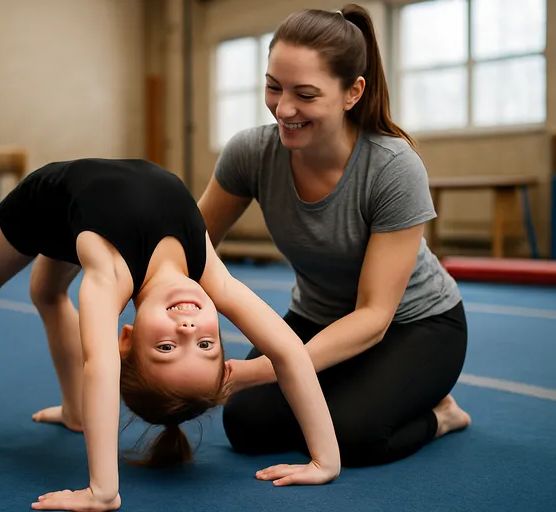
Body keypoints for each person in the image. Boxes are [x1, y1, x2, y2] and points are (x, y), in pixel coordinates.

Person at [0, 157, 341, 511]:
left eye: (168, 347)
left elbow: (99, 364)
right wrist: (325, 459)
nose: (189, 328)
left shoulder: (109, 274)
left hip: (42, 207)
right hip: (74, 210)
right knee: (46, 290)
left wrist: (103, 490)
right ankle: (74, 412)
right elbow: (287, 351)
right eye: (206, 345)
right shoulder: (209, 274)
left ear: (127, 338)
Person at [197, 4, 472, 469]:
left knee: (353, 436)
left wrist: (266, 367)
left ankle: (442, 414)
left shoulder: (391, 168)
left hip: (414, 326)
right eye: (273, 86)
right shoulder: (250, 153)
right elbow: (191, 243)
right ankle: (349, 385)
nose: (283, 109)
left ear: (352, 92)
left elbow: (373, 316)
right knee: (246, 425)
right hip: (317, 317)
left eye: (305, 94)